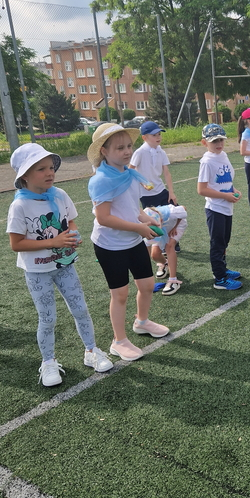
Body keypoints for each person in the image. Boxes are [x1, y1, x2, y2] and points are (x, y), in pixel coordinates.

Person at [8, 142, 113, 386]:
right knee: (48, 318)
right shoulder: (19, 205)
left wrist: (73, 236)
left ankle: (91, 351)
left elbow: (70, 221)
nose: (50, 173)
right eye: (41, 169)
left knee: (81, 309)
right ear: (24, 176)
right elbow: (16, 244)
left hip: (65, 265)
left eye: (50, 167)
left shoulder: (60, 194)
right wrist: (53, 241)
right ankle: (48, 362)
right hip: (37, 272)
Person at [88, 124, 169, 363]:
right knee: (120, 294)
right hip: (110, 245)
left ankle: (141, 322)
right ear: (104, 151)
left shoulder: (130, 174)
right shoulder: (101, 180)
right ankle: (119, 341)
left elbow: (133, 209)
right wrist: (139, 228)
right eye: (119, 148)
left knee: (147, 285)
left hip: (133, 240)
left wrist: (147, 219)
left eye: (129, 146)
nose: (127, 151)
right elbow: (103, 218)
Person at [197, 123, 243, 291]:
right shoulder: (206, 162)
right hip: (215, 208)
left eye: (221, 140)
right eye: (214, 141)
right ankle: (220, 279)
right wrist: (225, 196)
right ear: (204, 143)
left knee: (224, 242)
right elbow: (201, 189)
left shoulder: (223, 155)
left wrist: (234, 190)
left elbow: (225, 180)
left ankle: (222, 269)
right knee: (217, 244)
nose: (219, 143)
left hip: (226, 207)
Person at [142, 204, 188, 295]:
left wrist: (175, 227)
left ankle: (173, 280)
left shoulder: (171, 212)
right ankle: (165, 264)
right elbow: (146, 255)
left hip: (176, 226)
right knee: (155, 255)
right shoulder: (147, 228)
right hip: (160, 229)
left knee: (169, 246)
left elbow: (183, 208)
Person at [130, 120, 177, 208]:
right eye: (154, 135)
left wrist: (171, 192)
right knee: (154, 216)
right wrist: (143, 183)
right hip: (146, 195)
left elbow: (167, 173)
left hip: (161, 190)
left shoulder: (161, 152)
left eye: (159, 134)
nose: (158, 137)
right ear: (144, 138)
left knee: (178, 212)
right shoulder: (140, 152)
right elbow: (130, 170)